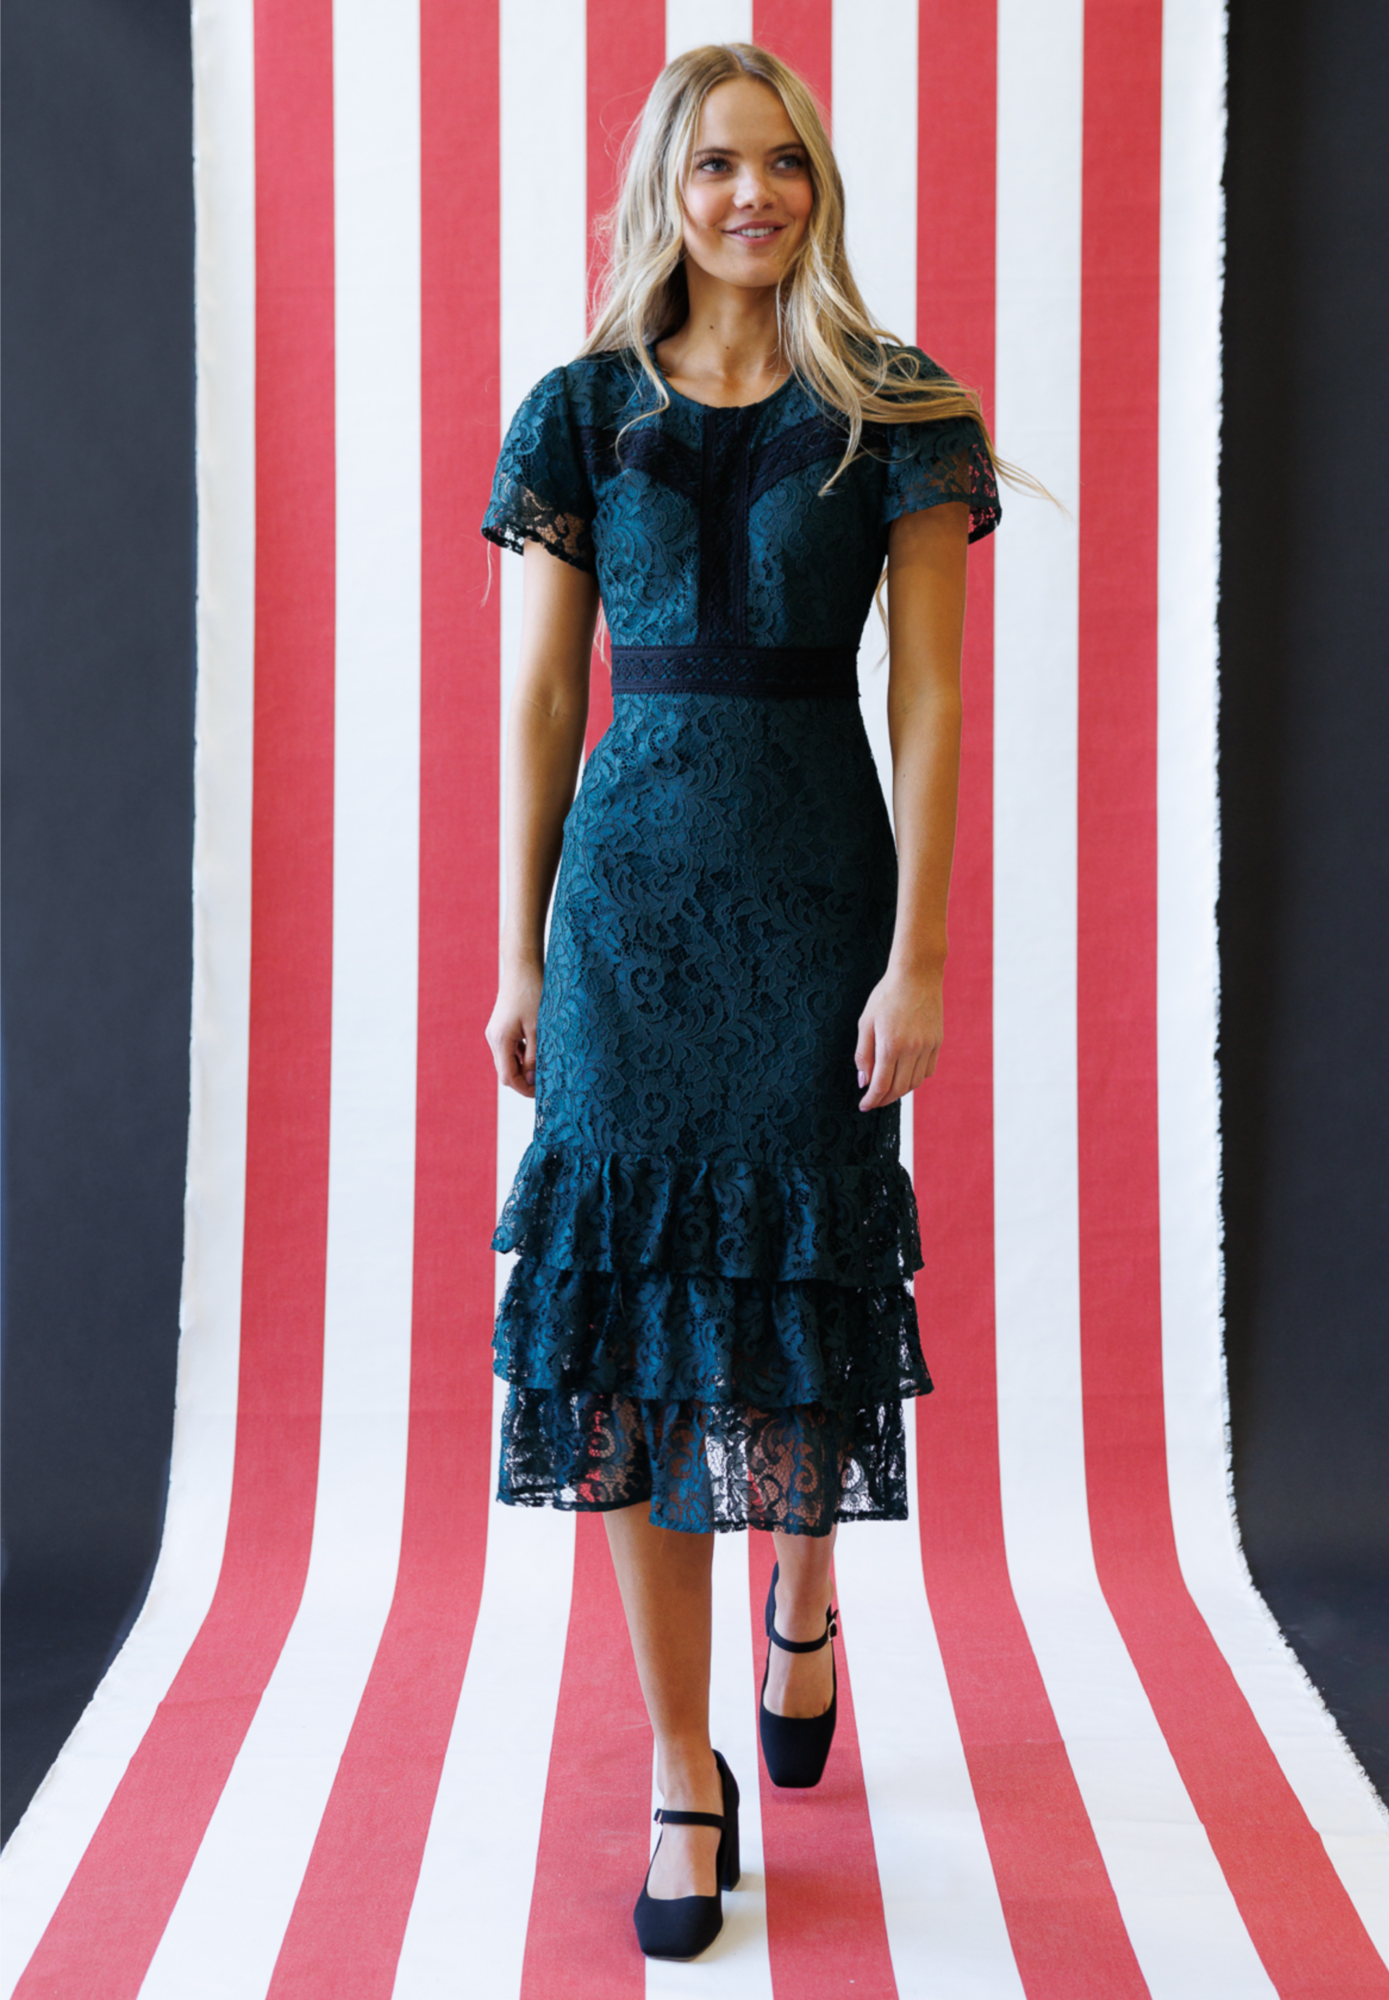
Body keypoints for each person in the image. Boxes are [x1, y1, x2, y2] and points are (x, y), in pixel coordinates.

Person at [482, 41, 1003, 1962]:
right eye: (718, 164)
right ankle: (682, 1766)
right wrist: (518, 947)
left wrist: (922, 951)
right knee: (623, 1337)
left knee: (793, 1288)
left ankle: (805, 1578)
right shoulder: (579, 416)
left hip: (809, 903)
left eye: (783, 164)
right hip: (623, 907)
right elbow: (545, 701)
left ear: (817, 186)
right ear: (663, 186)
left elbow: (935, 698)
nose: (753, 196)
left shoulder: (899, 411)